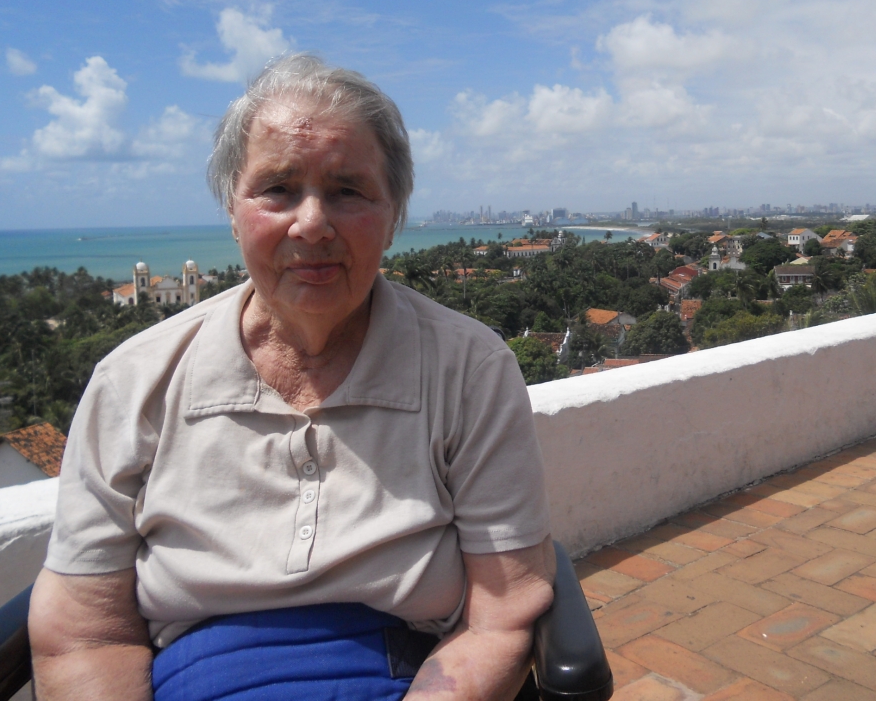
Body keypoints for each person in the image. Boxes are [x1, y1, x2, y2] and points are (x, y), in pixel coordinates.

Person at [28, 54, 555, 701]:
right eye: (277, 188)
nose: (311, 223)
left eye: (348, 191)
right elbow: (84, 638)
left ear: (393, 214)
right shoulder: (134, 383)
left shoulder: (469, 371)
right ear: (232, 209)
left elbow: (501, 615)